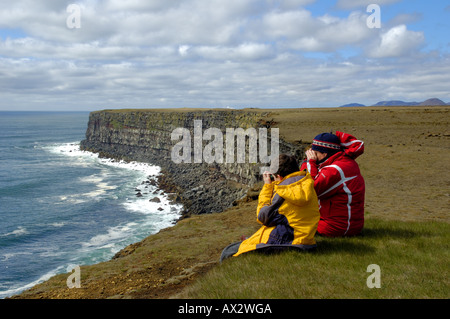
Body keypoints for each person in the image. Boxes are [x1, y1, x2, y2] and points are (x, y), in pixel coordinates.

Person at [220, 154, 320, 262]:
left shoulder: (283, 192)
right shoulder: (306, 183)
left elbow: (262, 217)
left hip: (288, 240)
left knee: (228, 254)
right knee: (241, 245)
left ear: (278, 176)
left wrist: (268, 187)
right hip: (306, 238)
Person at [299, 131, 365, 237]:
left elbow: (308, 191)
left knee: (289, 220)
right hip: (350, 225)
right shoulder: (346, 163)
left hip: (335, 227)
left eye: (315, 152)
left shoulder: (335, 170)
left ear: (325, 153)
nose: (312, 154)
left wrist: (309, 162)